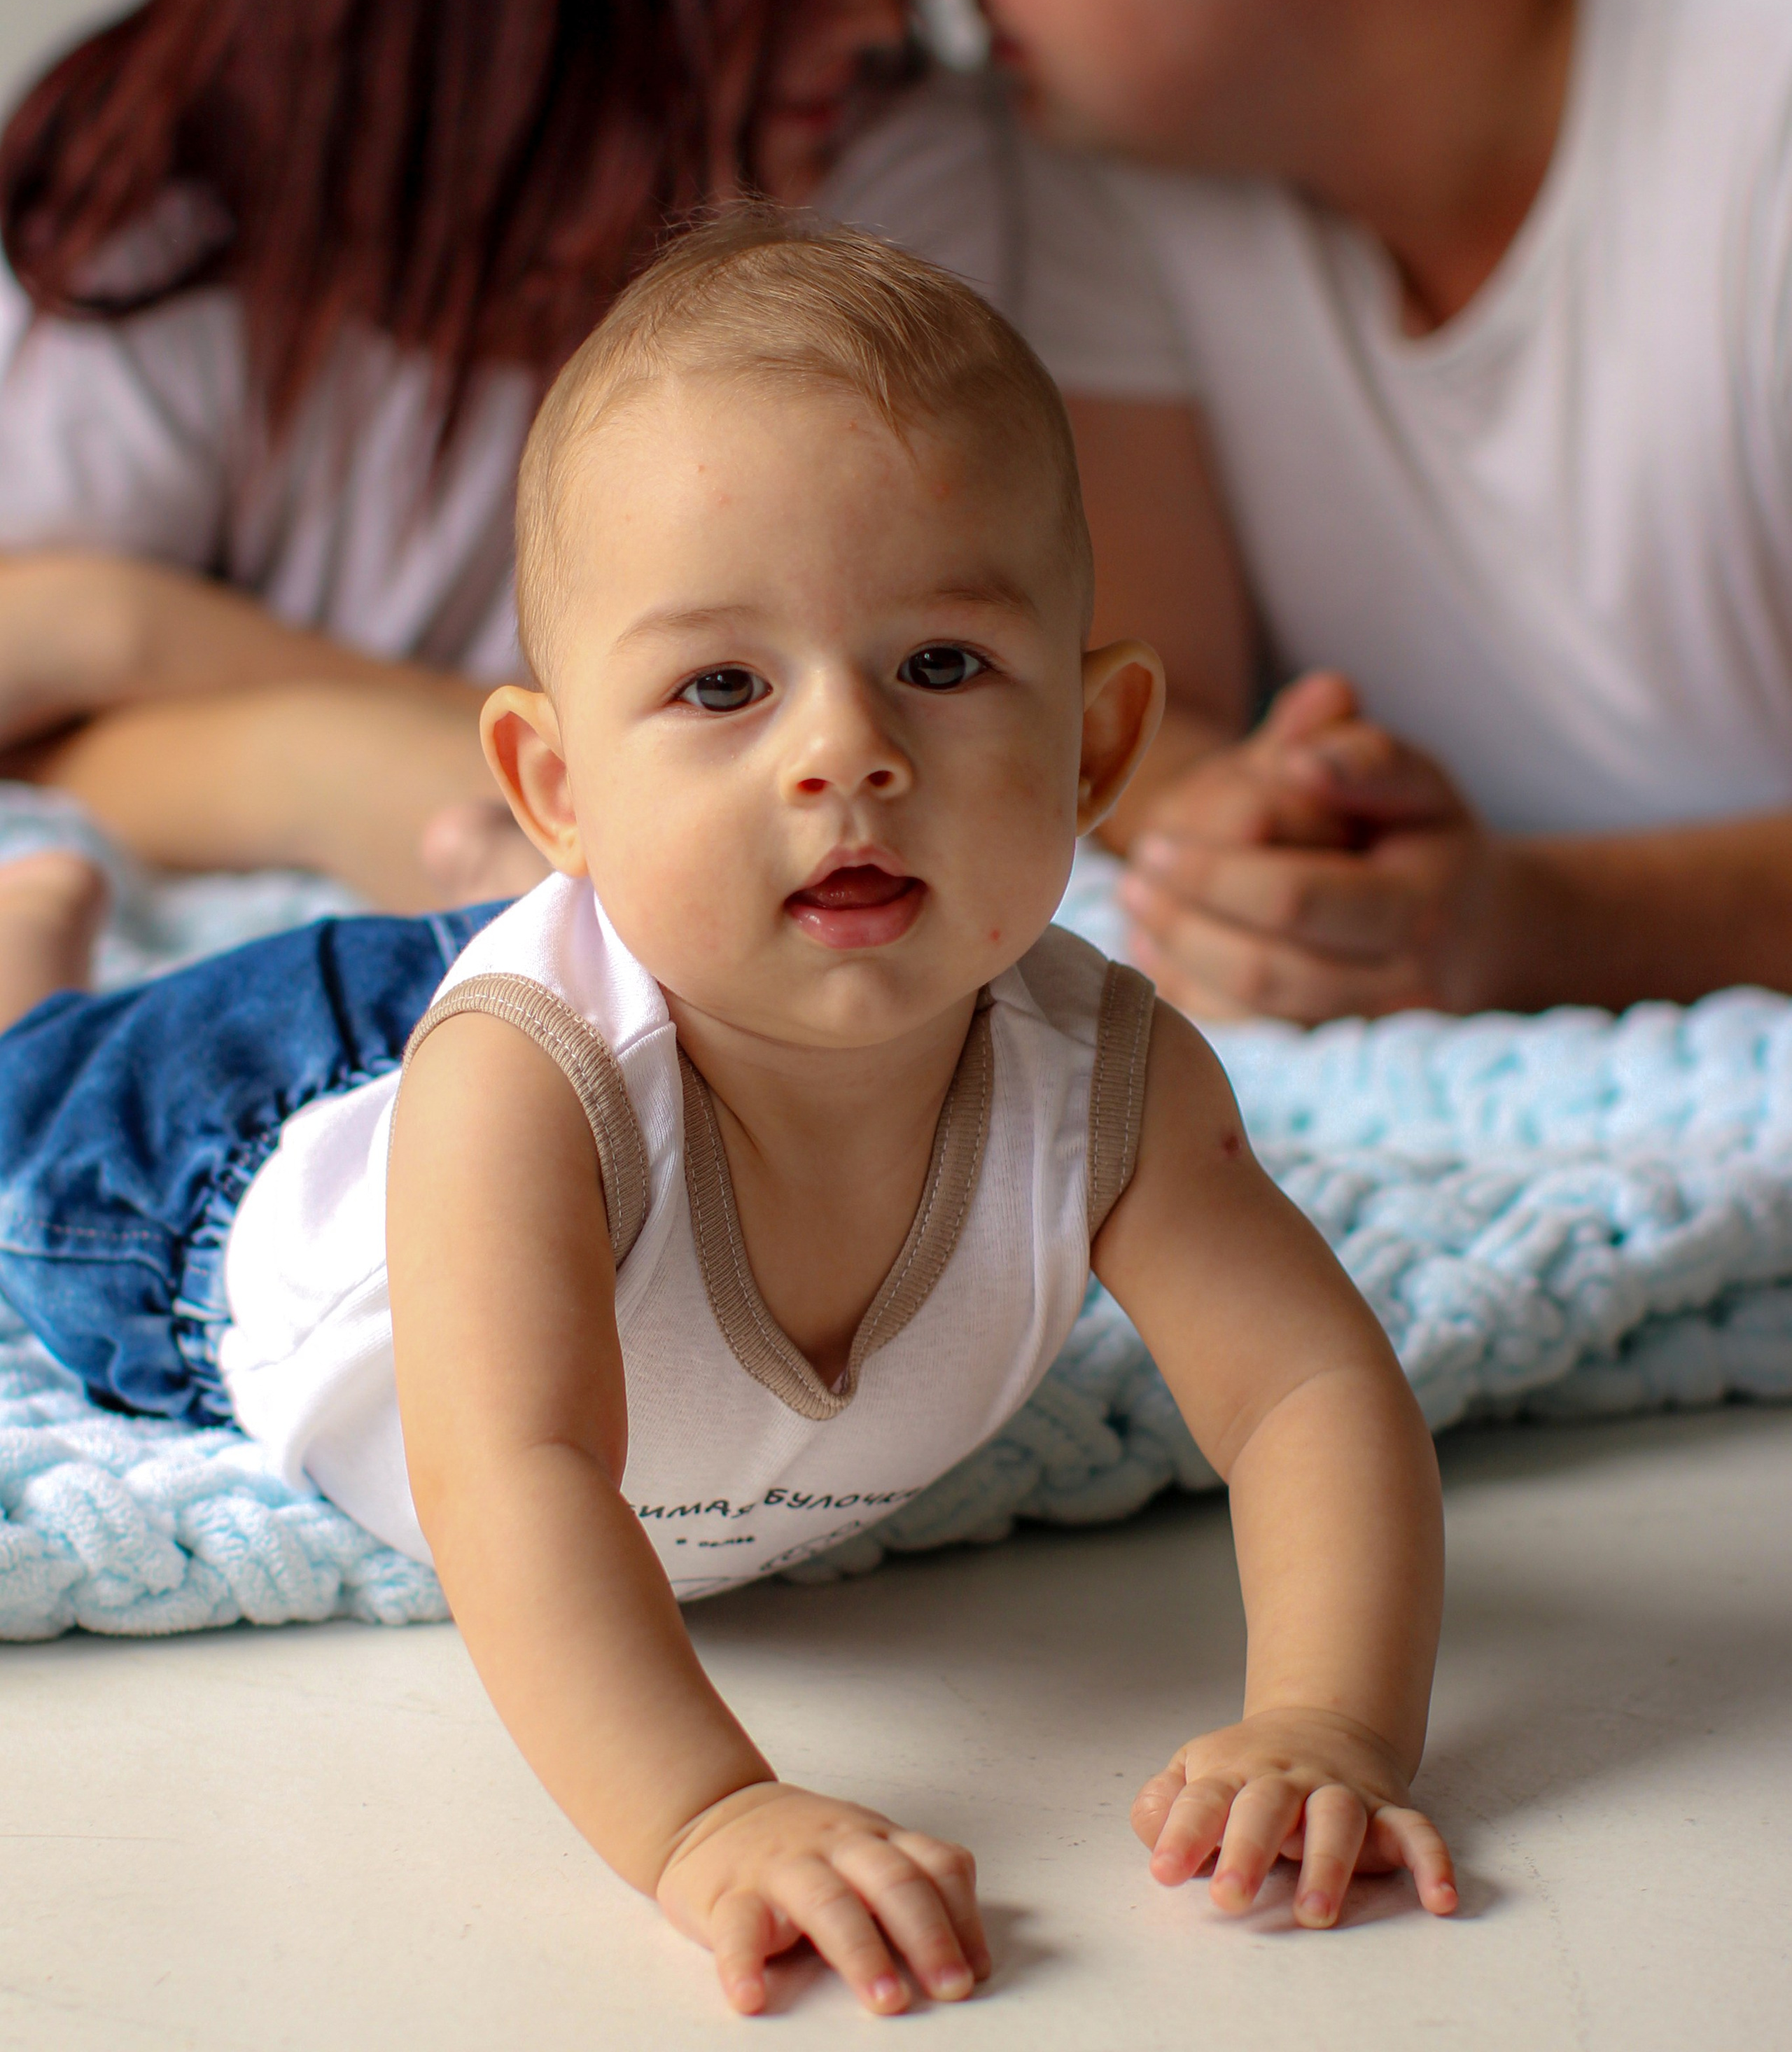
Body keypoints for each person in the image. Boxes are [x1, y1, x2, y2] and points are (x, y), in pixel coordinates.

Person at [0, 215, 1456, 2011]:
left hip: (667, 943)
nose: (842, 752)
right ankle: (34, 964)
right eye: (720, 686)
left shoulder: (1113, 1081)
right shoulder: (517, 1097)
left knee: (650, 925)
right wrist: (710, 1817)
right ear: (556, 779)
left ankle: (530, 878)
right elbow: (508, 1475)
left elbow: (1310, 1390)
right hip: (251, 1145)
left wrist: (1327, 1719)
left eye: (938, 663)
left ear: (1094, 752)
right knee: (24, 1137)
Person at [874, 0, 1792, 1021]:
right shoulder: (1122, 124)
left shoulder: (1761, 81)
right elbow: (1149, 699)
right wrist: (1237, 827)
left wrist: (1537, 928)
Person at [0, 0, 911, 930]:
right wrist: (294, 750)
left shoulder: (861, 192)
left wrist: (152, 645)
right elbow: (24, 733)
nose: (871, 11)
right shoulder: (162, 230)